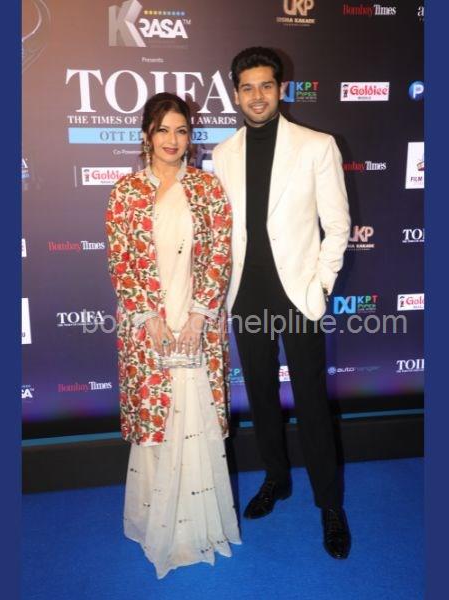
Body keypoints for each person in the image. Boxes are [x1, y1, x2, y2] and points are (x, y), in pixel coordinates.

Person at [212, 47, 352, 559]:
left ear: (281, 89)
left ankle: (330, 505)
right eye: (247, 87)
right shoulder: (222, 154)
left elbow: (337, 225)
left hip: (298, 295)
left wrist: (321, 286)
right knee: (261, 396)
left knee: (312, 401)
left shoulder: (317, 146)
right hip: (245, 293)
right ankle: (277, 477)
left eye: (266, 86)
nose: (257, 96)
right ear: (236, 94)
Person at [105, 92, 240, 578]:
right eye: (163, 129)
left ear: (190, 137)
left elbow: (220, 254)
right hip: (147, 327)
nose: (172, 139)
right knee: (157, 419)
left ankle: (195, 530)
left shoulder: (207, 188)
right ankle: (156, 523)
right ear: (147, 134)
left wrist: (200, 316)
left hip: (197, 318)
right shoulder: (125, 193)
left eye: (181, 130)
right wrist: (148, 317)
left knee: (194, 414)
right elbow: (121, 261)